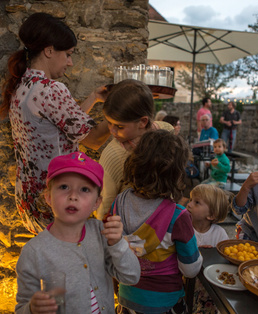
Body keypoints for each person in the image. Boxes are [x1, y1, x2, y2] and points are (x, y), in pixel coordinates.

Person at [0, 13, 110, 234]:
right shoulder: (52, 89)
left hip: (30, 200)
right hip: (56, 201)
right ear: (49, 51)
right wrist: (125, 108)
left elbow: (61, 124)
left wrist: (93, 98)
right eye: (68, 55)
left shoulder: (23, 84)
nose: (70, 62)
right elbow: (95, 140)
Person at [15, 152, 141, 314]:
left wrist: (118, 244)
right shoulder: (33, 252)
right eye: (64, 187)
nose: (73, 196)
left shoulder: (100, 233)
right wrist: (32, 309)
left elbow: (131, 277)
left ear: (96, 202)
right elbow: (21, 309)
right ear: (48, 197)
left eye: (84, 189)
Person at [112, 130, 203, 314]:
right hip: (165, 303)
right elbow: (191, 270)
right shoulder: (178, 216)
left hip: (127, 299)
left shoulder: (118, 203)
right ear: (176, 174)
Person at [97, 79, 173, 220]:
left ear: (143, 122)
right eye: (109, 123)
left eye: (119, 127)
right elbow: (106, 204)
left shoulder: (169, 133)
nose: (112, 131)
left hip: (164, 222)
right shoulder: (112, 156)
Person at [186, 184, 229, 314]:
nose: (189, 204)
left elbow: (225, 261)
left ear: (211, 215)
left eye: (197, 202)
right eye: (190, 200)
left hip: (209, 288)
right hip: (186, 284)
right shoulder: (183, 228)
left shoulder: (219, 234)